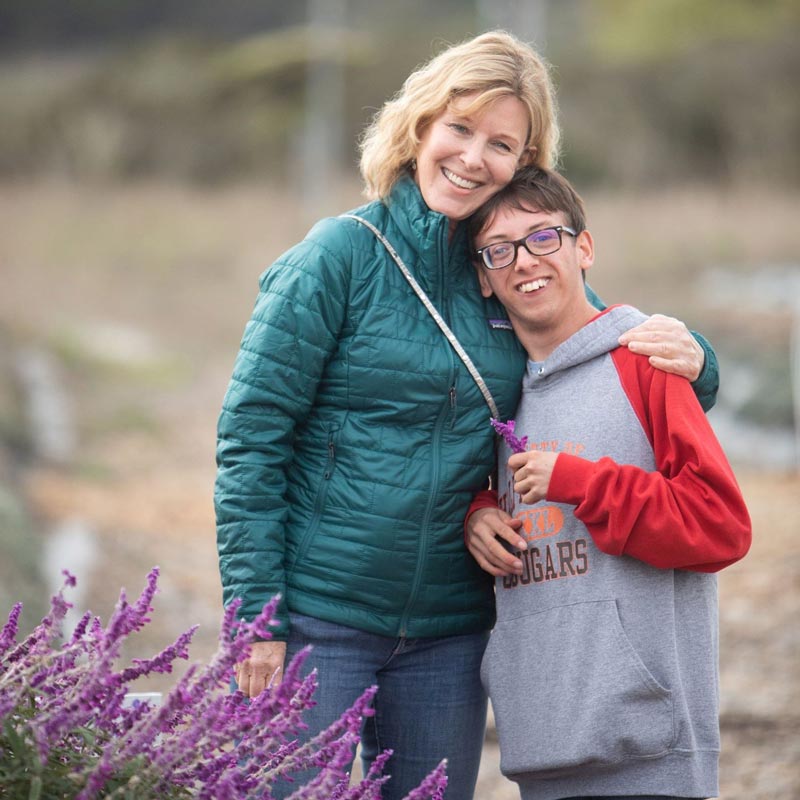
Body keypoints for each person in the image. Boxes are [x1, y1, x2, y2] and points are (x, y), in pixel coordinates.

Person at [214, 31, 719, 800]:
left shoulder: (506, 267)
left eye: (501, 143)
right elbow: (251, 441)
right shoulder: (336, 258)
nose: (473, 156)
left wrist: (697, 359)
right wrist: (257, 619)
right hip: (323, 616)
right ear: (419, 126)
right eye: (460, 128)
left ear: (526, 162)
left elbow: (592, 352)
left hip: (452, 634)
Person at [465, 166, 752, 800]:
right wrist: (480, 512)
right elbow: (492, 486)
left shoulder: (646, 361)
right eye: (499, 250)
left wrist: (580, 482)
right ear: (485, 279)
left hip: (650, 746)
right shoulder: (498, 393)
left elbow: (720, 527)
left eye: (543, 238)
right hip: (543, 742)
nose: (524, 262)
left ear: (584, 248)